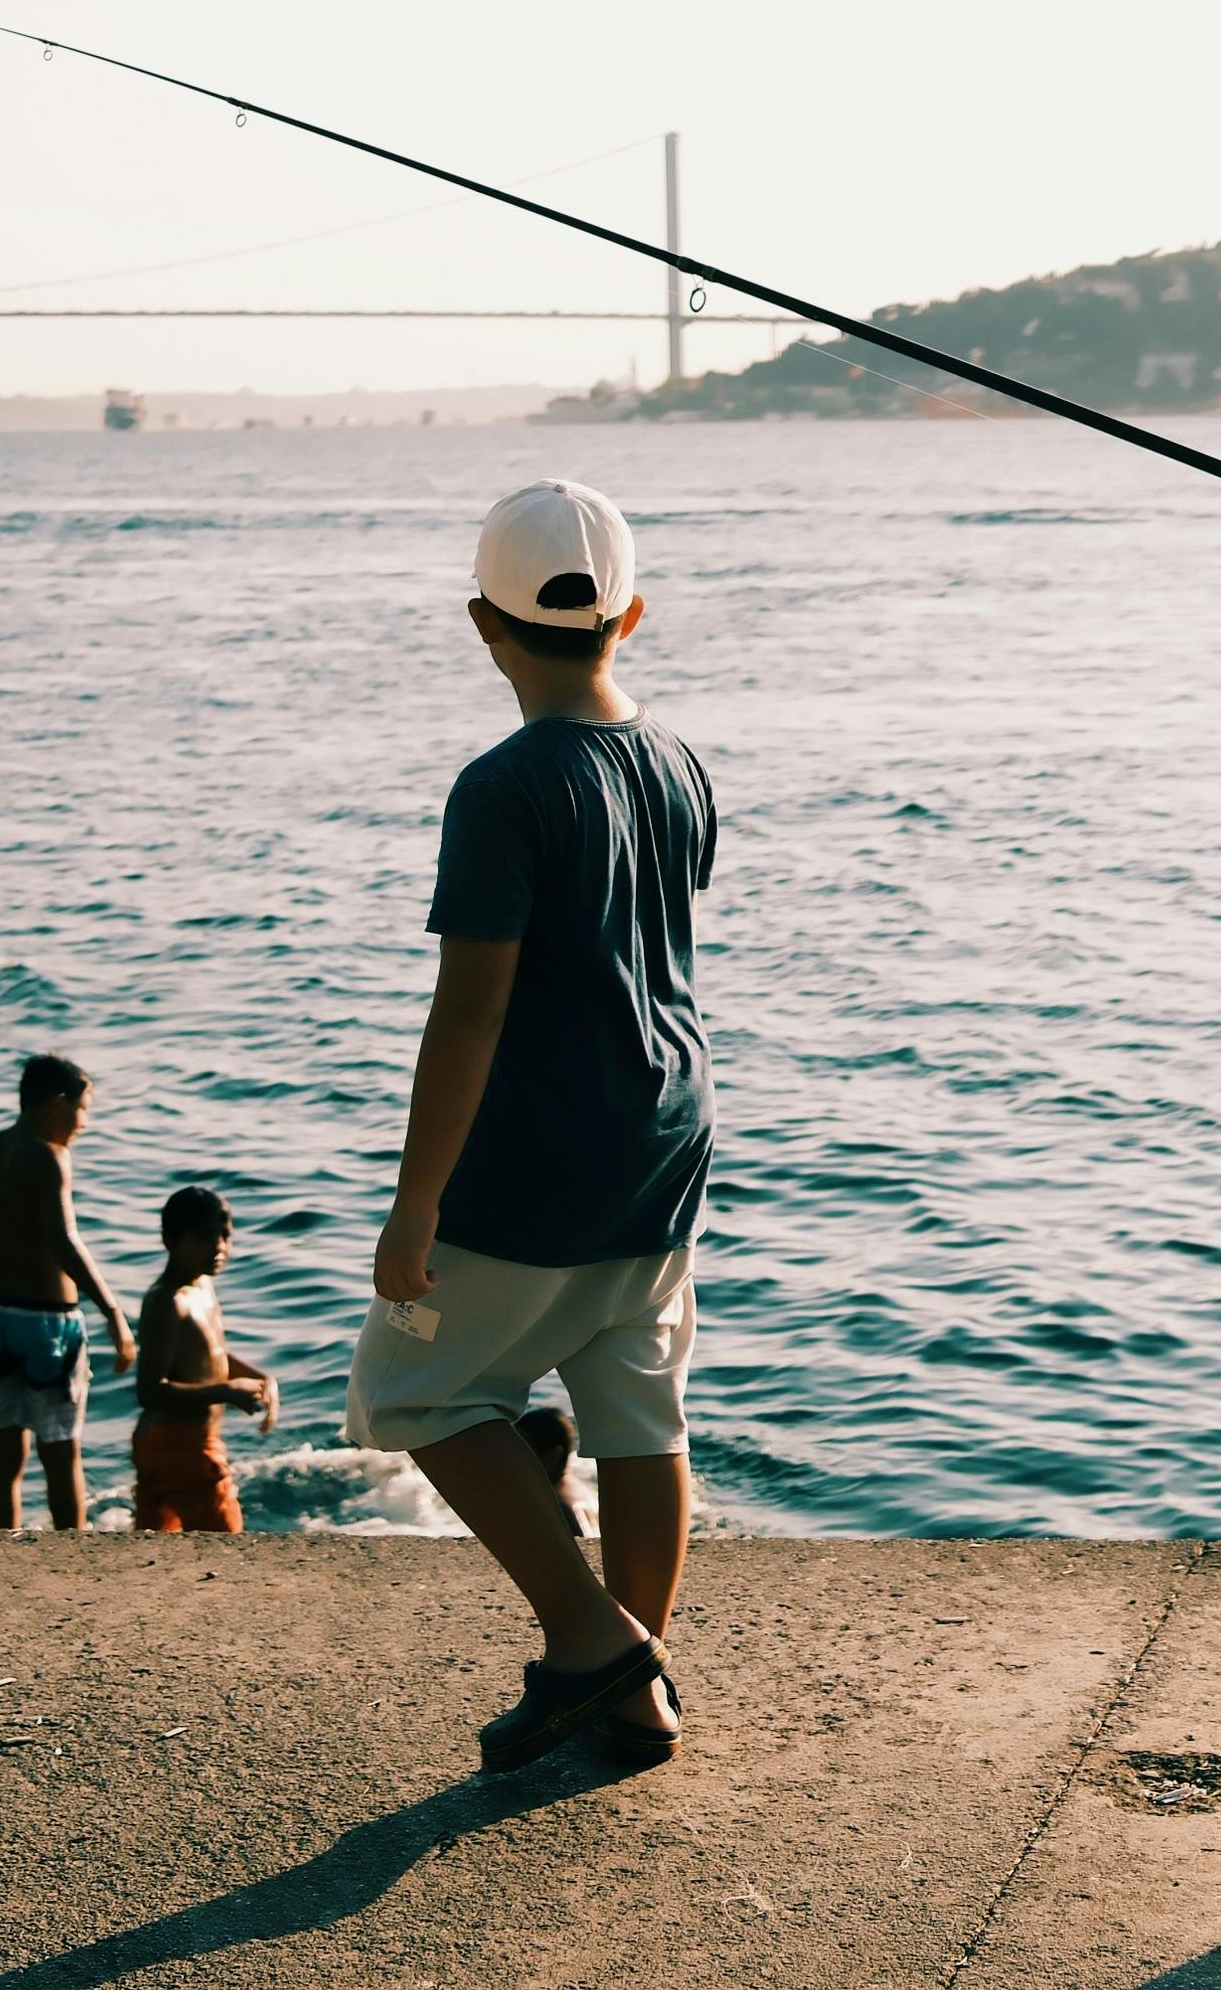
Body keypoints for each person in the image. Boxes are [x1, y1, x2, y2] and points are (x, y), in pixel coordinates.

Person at [346, 479, 716, 1773]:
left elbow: (470, 1015)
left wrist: (414, 1207)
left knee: (414, 1387)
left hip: (535, 1159)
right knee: (636, 1410)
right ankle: (629, 1697)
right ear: (635, 615)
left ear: (479, 623)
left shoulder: (503, 786)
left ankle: (592, 1642)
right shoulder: (676, 762)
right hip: (667, 1134)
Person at [0, 1053, 136, 1531]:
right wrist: (113, 1312)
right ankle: (73, 1559)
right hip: (46, 1324)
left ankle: (0, 1552)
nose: (84, 1124)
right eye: (82, 1110)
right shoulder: (49, 1156)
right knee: (61, 1452)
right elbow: (63, 1240)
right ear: (56, 1102)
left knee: (4, 1455)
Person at [130, 1184, 278, 1533]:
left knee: (156, 1544)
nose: (219, 1247)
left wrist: (261, 1379)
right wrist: (226, 1392)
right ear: (172, 1240)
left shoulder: (202, 1287)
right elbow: (150, 1392)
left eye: (225, 1236)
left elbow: (210, 1353)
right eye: (206, 1237)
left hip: (180, 1443)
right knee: (225, 1545)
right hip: (181, 1445)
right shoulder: (168, 1302)